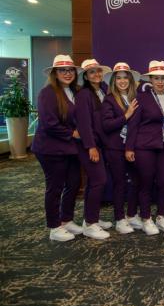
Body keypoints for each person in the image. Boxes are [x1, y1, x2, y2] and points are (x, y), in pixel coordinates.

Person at [32, 55, 83, 241]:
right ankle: (54, 227)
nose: (67, 73)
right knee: (55, 187)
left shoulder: (75, 91)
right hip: (50, 148)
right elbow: (49, 123)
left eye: (70, 70)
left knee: (74, 183)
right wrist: (72, 133)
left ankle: (66, 220)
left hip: (69, 148)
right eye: (62, 70)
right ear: (55, 73)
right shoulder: (47, 93)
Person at [125, 60, 164, 235]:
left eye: (163, 78)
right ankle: (146, 219)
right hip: (144, 147)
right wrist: (129, 148)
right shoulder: (141, 98)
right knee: (145, 184)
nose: (160, 82)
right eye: (156, 78)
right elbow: (133, 125)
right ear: (150, 80)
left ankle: (161, 216)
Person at [101, 62, 141, 234]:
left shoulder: (135, 98)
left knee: (137, 181)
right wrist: (126, 115)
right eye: (119, 78)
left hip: (132, 147)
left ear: (131, 80)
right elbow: (107, 125)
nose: (122, 81)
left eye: (126, 78)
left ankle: (131, 215)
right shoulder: (109, 99)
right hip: (115, 148)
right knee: (119, 184)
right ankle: (119, 219)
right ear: (113, 81)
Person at [75, 59, 113, 240]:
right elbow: (84, 123)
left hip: (101, 143)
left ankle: (91, 219)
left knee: (93, 182)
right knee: (99, 181)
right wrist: (91, 147)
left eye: (98, 71)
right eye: (91, 72)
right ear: (85, 76)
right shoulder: (83, 94)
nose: (96, 74)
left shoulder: (103, 89)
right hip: (90, 145)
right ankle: (91, 225)